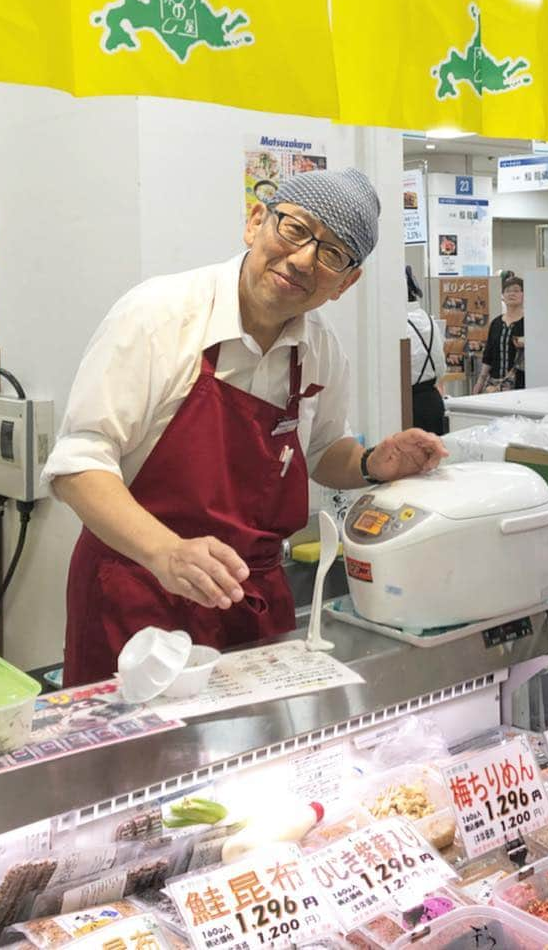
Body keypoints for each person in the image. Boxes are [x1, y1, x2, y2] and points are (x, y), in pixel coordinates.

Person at [44, 168, 449, 686]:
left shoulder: (321, 350)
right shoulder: (158, 317)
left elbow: (323, 448)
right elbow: (78, 462)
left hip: (249, 605)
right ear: (256, 221)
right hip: (137, 600)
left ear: (347, 283)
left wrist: (374, 463)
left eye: (331, 254)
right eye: (296, 230)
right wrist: (165, 552)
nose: (303, 259)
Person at [405, 266, 447, 435]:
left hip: (409, 404)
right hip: (433, 400)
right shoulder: (427, 319)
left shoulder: (398, 323)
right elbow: (441, 367)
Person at [475, 275, 525, 392]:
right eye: (507, 291)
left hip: (521, 385)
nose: (511, 294)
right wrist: (480, 382)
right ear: (503, 295)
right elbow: (488, 356)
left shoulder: (529, 322)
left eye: (516, 290)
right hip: (494, 385)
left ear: (524, 294)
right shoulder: (496, 323)